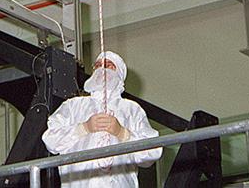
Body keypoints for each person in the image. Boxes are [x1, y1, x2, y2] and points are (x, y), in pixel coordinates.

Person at [42, 51, 161, 188]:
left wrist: (123, 134)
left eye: (109, 65)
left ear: (120, 74)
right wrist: (83, 128)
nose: (102, 69)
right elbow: (50, 140)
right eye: (98, 65)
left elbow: (153, 152)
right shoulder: (73, 106)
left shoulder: (132, 110)